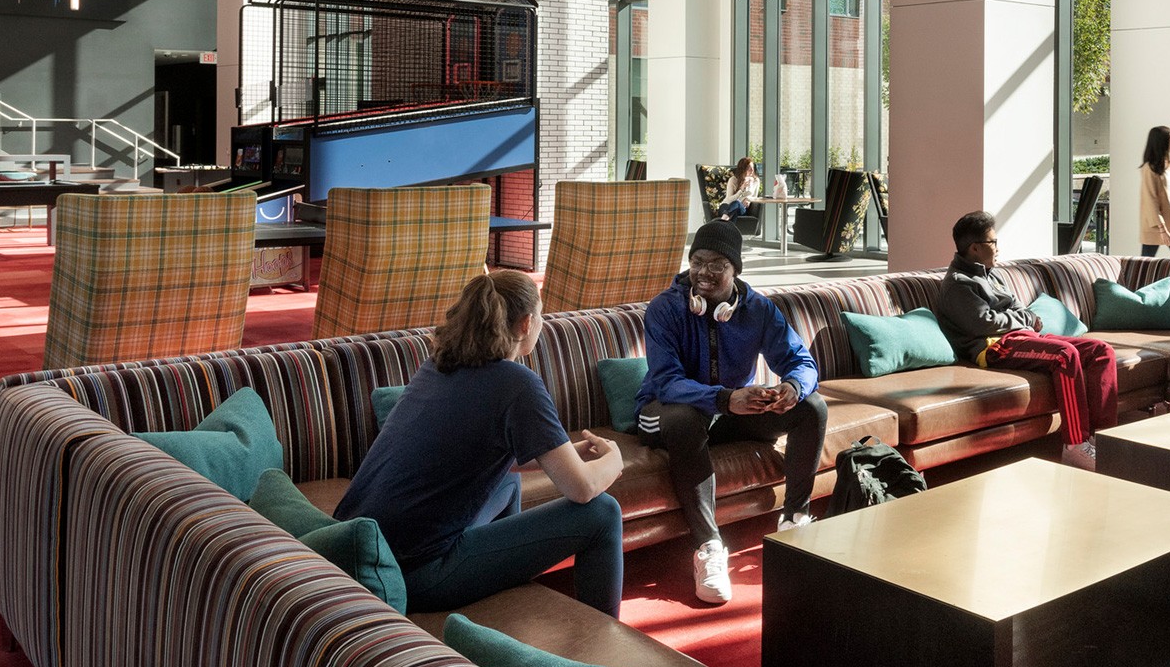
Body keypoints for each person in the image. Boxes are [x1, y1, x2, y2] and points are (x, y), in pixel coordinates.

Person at [336, 269, 627, 616]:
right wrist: (615, 459)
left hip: (360, 548)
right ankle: (606, 644)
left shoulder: (440, 365)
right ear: (526, 324)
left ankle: (505, 588)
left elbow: (475, 451)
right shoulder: (518, 384)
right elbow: (582, 489)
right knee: (602, 512)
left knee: (507, 477)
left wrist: (563, 454)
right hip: (416, 573)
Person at [636, 220, 823, 604]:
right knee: (681, 417)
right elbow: (667, 382)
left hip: (729, 411)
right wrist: (726, 398)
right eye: (697, 260)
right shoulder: (665, 309)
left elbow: (801, 361)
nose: (704, 272)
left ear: (736, 269)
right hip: (665, 413)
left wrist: (791, 387)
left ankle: (794, 520)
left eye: (717, 263)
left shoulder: (759, 310)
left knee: (812, 408)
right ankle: (708, 547)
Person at [935, 210, 1121, 469]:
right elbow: (984, 322)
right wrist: (1023, 319)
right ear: (975, 248)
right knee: (1064, 355)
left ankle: (1102, 441)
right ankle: (1075, 445)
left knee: (1101, 350)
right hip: (993, 347)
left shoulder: (993, 274)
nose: (998, 248)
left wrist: (1021, 318)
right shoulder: (957, 284)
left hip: (1021, 336)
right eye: (993, 242)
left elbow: (1018, 308)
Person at [1138, 125, 1170, 259]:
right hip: (1156, 223)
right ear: (1162, 141)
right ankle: (1137, 281)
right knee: (1145, 263)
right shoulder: (1150, 168)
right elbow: (1150, 199)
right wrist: (1162, 229)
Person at [715, 156, 762, 222]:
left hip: (741, 208)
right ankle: (724, 226)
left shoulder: (756, 181)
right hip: (726, 206)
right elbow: (729, 199)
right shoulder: (733, 180)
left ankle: (721, 223)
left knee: (736, 204)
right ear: (742, 169)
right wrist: (741, 190)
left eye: (752, 167)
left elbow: (754, 197)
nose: (752, 170)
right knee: (733, 212)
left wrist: (748, 200)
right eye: (749, 168)